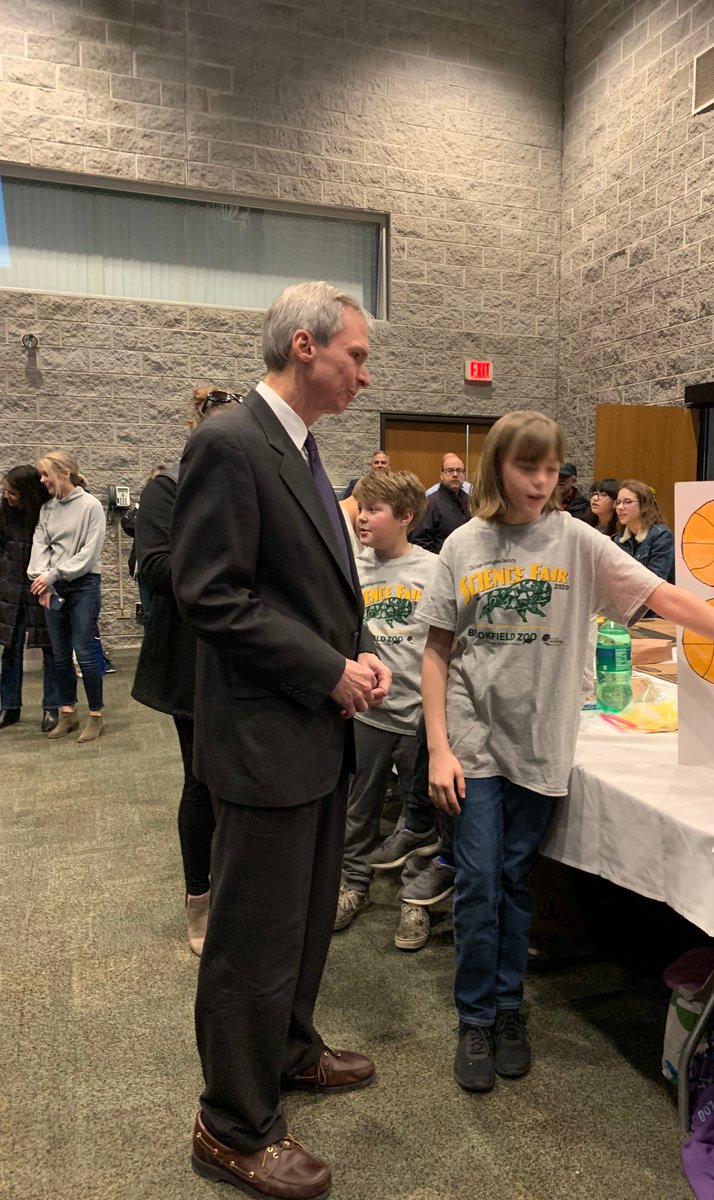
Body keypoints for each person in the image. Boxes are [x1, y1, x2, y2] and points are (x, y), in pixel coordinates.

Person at [417, 410, 714, 1095]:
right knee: (478, 882)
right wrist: (438, 747)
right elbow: (437, 651)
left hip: (543, 747)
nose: (542, 481)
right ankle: (475, 1018)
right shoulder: (464, 545)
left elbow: (673, 601)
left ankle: (506, 1007)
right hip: (474, 745)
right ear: (498, 467)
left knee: (517, 883)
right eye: (528, 467)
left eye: (552, 469)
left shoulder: (578, 542)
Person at [171, 282, 390, 1200]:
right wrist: (326, 670)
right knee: (251, 941)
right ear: (304, 346)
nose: (364, 374)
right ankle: (231, 1124)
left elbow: (319, 589)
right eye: (357, 357)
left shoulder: (302, 449)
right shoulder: (229, 443)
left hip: (311, 732)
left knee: (299, 925)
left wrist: (363, 650)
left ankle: (291, 1050)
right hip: (266, 738)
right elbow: (212, 596)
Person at [131, 389, 241, 956]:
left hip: (246, 654)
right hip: (190, 659)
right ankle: (198, 899)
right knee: (201, 779)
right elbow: (153, 566)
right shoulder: (166, 489)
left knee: (240, 780)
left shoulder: (250, 485)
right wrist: (229, 566)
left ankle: (237, 892)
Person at [335, 469, 440, 952]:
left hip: (421, 715)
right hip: (368, 713)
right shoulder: (351, 568)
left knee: (423, 817)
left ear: (405, 517)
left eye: (374, 510)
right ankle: (352, 885)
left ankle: (415, 901)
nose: (363, 518)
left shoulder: (434, 570)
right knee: (359, 807)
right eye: (361, 508)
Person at [27, 451, 106, 743]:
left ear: (65, 472)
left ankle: (96, 716)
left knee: (84, 653)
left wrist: (54, 574)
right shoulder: (47, 510)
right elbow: (40, 546)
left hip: (84, 584)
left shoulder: (91, 506)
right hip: (53, 587)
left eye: (47, 474)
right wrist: (41, 578)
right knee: (59, 656)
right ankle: (68, 713)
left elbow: (89, 554)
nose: (43, 480)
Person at [0, 466, 61, 732]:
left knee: (51, 648)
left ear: (27, 493)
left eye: (11, 492)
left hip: (42, 586)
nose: (6, 495)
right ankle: (9, 706)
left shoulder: (48, 511)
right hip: (10, 589)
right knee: (11, 649)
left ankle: (52, 707)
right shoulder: (3, 510)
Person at [120, 463, 167, 624]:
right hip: (143, 567)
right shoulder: (142, 504)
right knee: (148, 614)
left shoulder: (171, 504)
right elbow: (127, 524)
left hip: (164, 566)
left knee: (165, 615)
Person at [614, 479, 675, 583]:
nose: (620, 507)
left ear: (644, 505)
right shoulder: (619, 539)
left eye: (627, 502)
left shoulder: (661, 535)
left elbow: (655, 581)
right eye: (618, 502)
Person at [411, 452, 470, 553]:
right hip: (440, 563)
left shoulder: (471, 500)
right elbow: (420, 541)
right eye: (450, 471)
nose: (455, 475)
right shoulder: (430, 503)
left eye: (459, 471)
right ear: (442, 475)